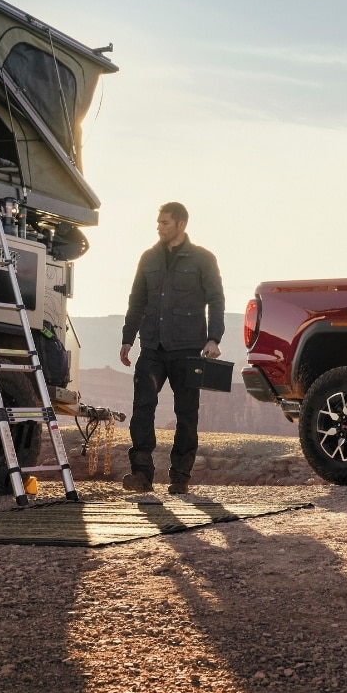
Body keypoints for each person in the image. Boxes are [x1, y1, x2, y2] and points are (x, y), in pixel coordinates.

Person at [119, 202, 224, 495]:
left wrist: (213, 337)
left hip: (189, 348)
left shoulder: (203, 259)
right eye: (158, 222)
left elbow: (216, 299)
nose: (159, 227)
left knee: (187, 414)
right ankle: (141, 474)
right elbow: (136, 300)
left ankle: (180, 475)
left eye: (165, 223)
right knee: (142, 410)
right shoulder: (149, 258)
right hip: (152, 346)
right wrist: (128, 338)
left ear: (181, 224)